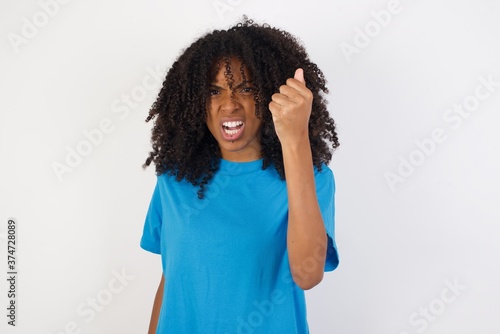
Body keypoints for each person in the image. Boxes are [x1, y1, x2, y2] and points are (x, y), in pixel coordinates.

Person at [140, 17, 340, 334]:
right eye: (214, 91)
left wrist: (295, 139)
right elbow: (172, 279)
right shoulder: (175, 179)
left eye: (246, 89)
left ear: (271, 95)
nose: (229, 105)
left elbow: (307, 274)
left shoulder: (310, 178)